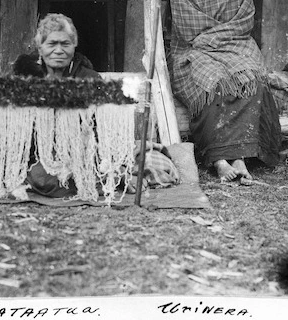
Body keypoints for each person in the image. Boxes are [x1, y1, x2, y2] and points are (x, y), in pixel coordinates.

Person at [14, 13, 178, 197]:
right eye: (52, 44)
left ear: (74, 46)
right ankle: (104, 181)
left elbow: (103, 132)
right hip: (39, 155)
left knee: (152, 162)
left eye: (65, 44)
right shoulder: (27, 77)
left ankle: (107, 178)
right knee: (44, 176)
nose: (59, 50)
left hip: (82, 152)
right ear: (40, 47)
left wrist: (113, 167)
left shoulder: (89, 79)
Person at [168, 0, 281, 183]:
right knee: (213, 83)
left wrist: (211, 36)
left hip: (234, 45)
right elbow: (188, 28)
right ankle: (219, 160)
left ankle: (240, 157)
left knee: (250, 80)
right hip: (192, 52)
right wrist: (214, 34)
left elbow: (244, 21)